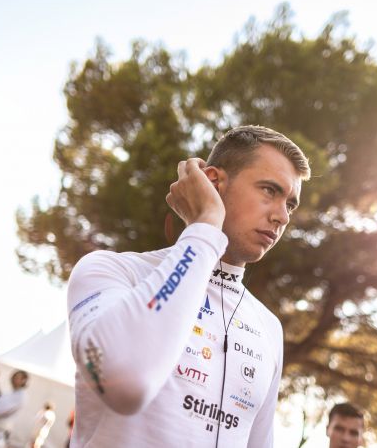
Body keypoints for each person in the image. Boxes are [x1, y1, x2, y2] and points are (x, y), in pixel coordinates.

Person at [67, 125, 310, 447]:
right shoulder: (113, 271)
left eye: (290, 204)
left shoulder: (269, 328)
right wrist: (205, 224)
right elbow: (126, 384)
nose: (283, 216)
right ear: (212, 182)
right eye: (269, 190)